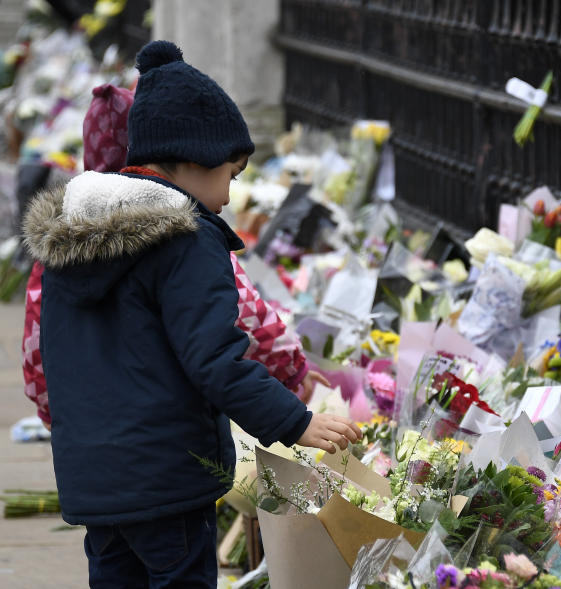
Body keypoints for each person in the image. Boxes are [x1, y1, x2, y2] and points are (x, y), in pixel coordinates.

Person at [21, 40, 361, 588]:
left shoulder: (70, 240)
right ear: (195, 159)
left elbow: (56, 362)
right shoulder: (187, 239)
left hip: (95, 484)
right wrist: (295, 422)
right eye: (232, 173)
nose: (229, 194)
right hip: (167, 481)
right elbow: (215, 359)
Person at [22, 83, 325, 431]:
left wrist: (52, 411)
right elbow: (242, 322)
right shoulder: (184, 238)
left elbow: (37, 345)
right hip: (167, 449)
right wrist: (292, 375)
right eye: (231, 173)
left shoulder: (58, 245)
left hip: (84, 446)